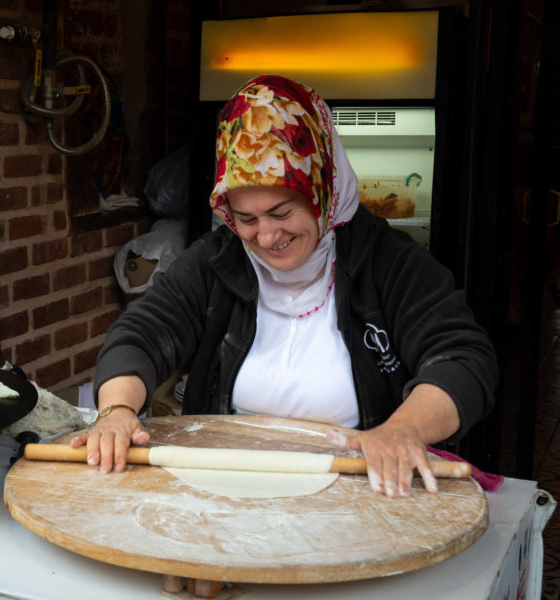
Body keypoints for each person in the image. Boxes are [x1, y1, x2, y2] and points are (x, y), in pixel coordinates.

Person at [70, 75, 497, 498]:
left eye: (281, 212)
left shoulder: (389, 262)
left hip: (359, 489)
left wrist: (402, 429)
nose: (268, 237)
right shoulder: (217, 261)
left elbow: (463, 360)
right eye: (247, 219)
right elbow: (142, 334)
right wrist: (118, 410)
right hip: (229, 487)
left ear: (322, 192)